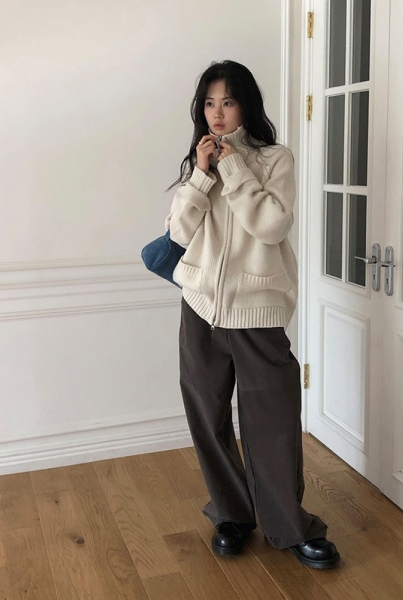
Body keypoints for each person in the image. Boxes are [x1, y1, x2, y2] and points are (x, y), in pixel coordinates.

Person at [165, 60, 340, 570]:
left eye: (228, 101)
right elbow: (178, 232)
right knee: (208, 414)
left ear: (246, 105)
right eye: (209, 103)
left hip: (257, 312)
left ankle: (289, 526)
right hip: (200, 308)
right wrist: (201, 175)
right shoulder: (199, 161)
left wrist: (234, 168)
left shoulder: (273, 159)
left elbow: (271, 226)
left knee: (274, 420)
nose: (217, 113)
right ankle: (231, 514)